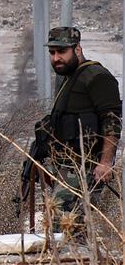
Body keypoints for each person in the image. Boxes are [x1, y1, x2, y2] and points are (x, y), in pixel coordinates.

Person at [44, 27, 121, 235]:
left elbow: (112, 121)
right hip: (67, 168)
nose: (56, 58)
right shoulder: (69, 78)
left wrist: (105, 162)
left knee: (66, 230)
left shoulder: (96, 77)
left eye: (61, 52)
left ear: (77, 49)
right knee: (65, 230)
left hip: (86, 169)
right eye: (52, 53)